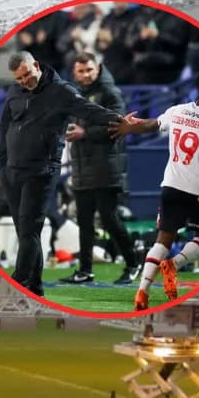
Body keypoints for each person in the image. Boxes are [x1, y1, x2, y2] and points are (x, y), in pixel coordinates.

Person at [0, 50, 125, 296]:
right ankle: (35, 287)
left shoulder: (61, 91)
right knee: (25, 232)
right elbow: (5, 126)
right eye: (18, 79)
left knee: (30, 228)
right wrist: (2, 163)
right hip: (13, 170)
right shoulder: (14, 91)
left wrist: (120, 121)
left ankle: (17, 282)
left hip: (41, 170)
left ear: (36, 65)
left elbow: (89, 110)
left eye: (26, 75)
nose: (24, 81)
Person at [110, 65, 199, 311]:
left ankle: (142, 293)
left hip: (170, 186)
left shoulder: (177, 110)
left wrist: (128, 127)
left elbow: (152, 124)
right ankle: (173, 264)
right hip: (198, 189)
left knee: (162, 240)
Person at [59, 52, 141, 285]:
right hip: (82, 167)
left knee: (109, 218)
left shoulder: (109, 92)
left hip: (106, 166)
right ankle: (85, 270)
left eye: (89, 70)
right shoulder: (74, 95)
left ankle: (133, 263)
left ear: (98, 68)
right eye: (81, 71)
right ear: (74, 72)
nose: (85, 75)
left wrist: (85, 134)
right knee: (83, 221)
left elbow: (120, 125)